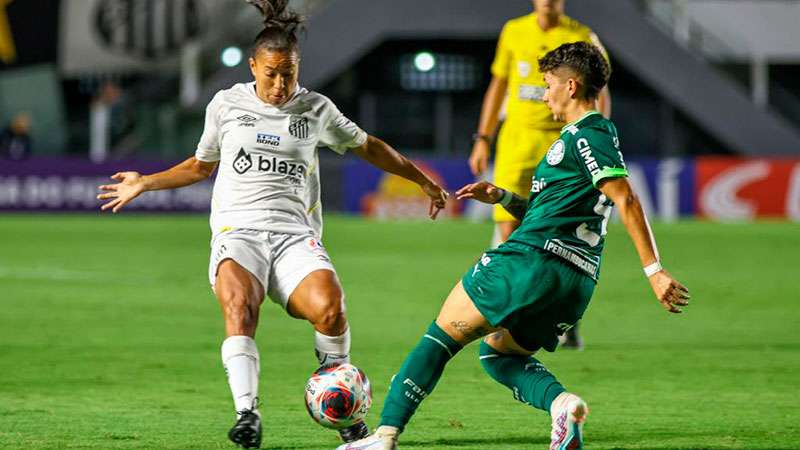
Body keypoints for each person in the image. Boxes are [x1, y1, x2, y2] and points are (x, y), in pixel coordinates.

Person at [97, 1, 448, 448]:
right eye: (271, 73)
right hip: (237, 233)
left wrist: (420, 179)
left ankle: (344, 411)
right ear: (253, 66)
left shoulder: (316, 109)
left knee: (330, 308)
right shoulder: (225, 104)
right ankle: (247, 413)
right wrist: (146, 181)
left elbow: (370, 147)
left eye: (289, 73)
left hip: (295, 236)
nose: (281, 84)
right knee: (240, 308)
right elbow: (200, 166)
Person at [337, 42, 690, 450]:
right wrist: (503, 198)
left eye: (548, 85)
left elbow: (625, 197)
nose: (544, 94)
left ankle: (383, 436)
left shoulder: (589, 134)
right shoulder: (580, 139)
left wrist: (654, 270)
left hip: (531, 261)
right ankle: (562, 405)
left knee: (440, 338)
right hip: (574, 283)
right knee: (499, 355)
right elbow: (552, 211)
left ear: (571, 87)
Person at [469, 0, 612, 348]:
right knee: (508, 229)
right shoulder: (514, 30)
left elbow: (600, 93)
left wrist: (598, 134)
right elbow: (498, 86)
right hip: (516, 144)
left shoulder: (580, 35)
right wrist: (483, 138)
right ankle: (509, 313)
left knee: (561, 233)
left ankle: (562, 315)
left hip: (559, 145)